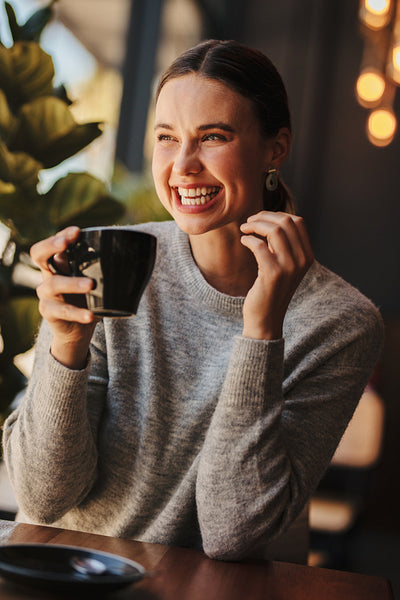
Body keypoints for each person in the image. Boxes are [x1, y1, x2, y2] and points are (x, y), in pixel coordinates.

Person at [2, 39, 383, 561]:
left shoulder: (339, 322)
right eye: (166, 137)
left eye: (213, 137)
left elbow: (235, 534)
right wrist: (65, 349)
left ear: (275, 148)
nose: (182, 165)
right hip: (61, 575)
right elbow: (43, 498)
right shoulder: (106, 261)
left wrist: (261, 331)